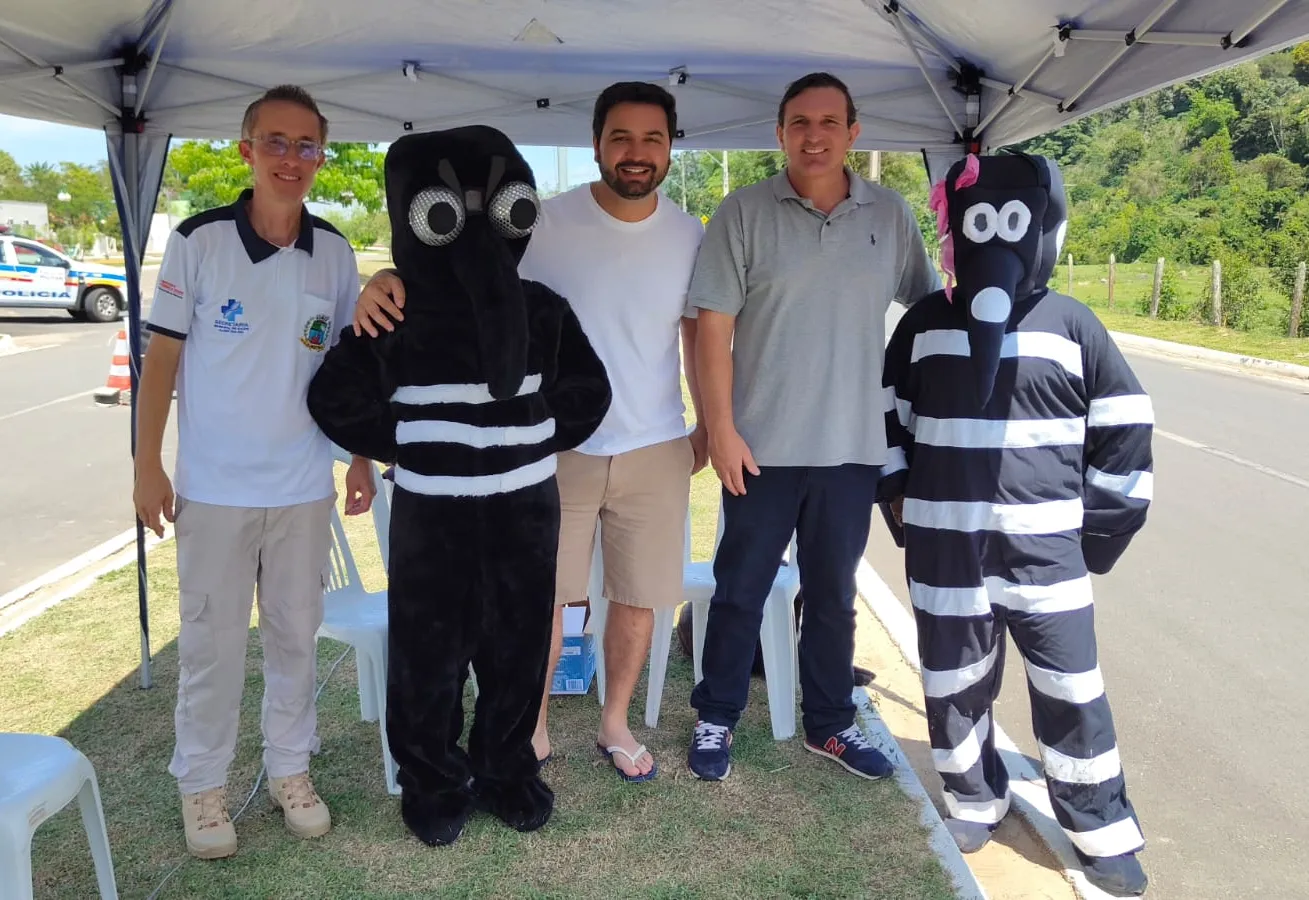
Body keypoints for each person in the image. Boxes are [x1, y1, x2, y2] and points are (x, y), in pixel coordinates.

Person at [350, 81, 708, 782]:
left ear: (670, 149)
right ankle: (528, 729)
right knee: (539, 603)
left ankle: (613, 724)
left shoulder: (691, 234)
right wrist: (386, 276)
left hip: (655, 444)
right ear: (597, 143)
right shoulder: (542, 222)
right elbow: (457, 265)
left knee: (639, 599)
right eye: (621, 137)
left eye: (652, 139)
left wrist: (703, 428)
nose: (636, 153)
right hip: (553, 451)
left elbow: (698, 337)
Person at [877, 152, 1151, 897]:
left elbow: (1125, 426)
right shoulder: (925, 323)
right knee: (953, 681)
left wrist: (1099, 533)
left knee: (1070, 690)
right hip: (945, 549)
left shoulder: (1071, 323)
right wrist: (899, 497)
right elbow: (885, 419)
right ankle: (973, 795)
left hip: (1046, 555)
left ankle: (1098, 826)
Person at [133, 85, 376, 860]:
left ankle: (290, 770)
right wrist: (147, 468)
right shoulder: (198, 242)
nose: (291, 159)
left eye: (307, 146)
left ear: (320, 156)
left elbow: (350, 370)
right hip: (214, 490)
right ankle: (201, 787)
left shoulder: (334, 252)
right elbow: (161, 361)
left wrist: (361, 457)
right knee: (211, 646)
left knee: (294, 638)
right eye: (276, 142)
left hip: (301, 489)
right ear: (246, 150)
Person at [684, 72, 940, 782]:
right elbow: (711, 331)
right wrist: (721, 430)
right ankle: (716, 717)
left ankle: (828, 725)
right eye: (799, 122)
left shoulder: (888, 216)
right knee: (739, 590)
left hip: (850, 449)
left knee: (831, 598)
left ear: (853, 133)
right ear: (779, 133)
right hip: (758, 448)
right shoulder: (740, 213)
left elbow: (925, 315)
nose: (814, 135)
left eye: (829, 122)